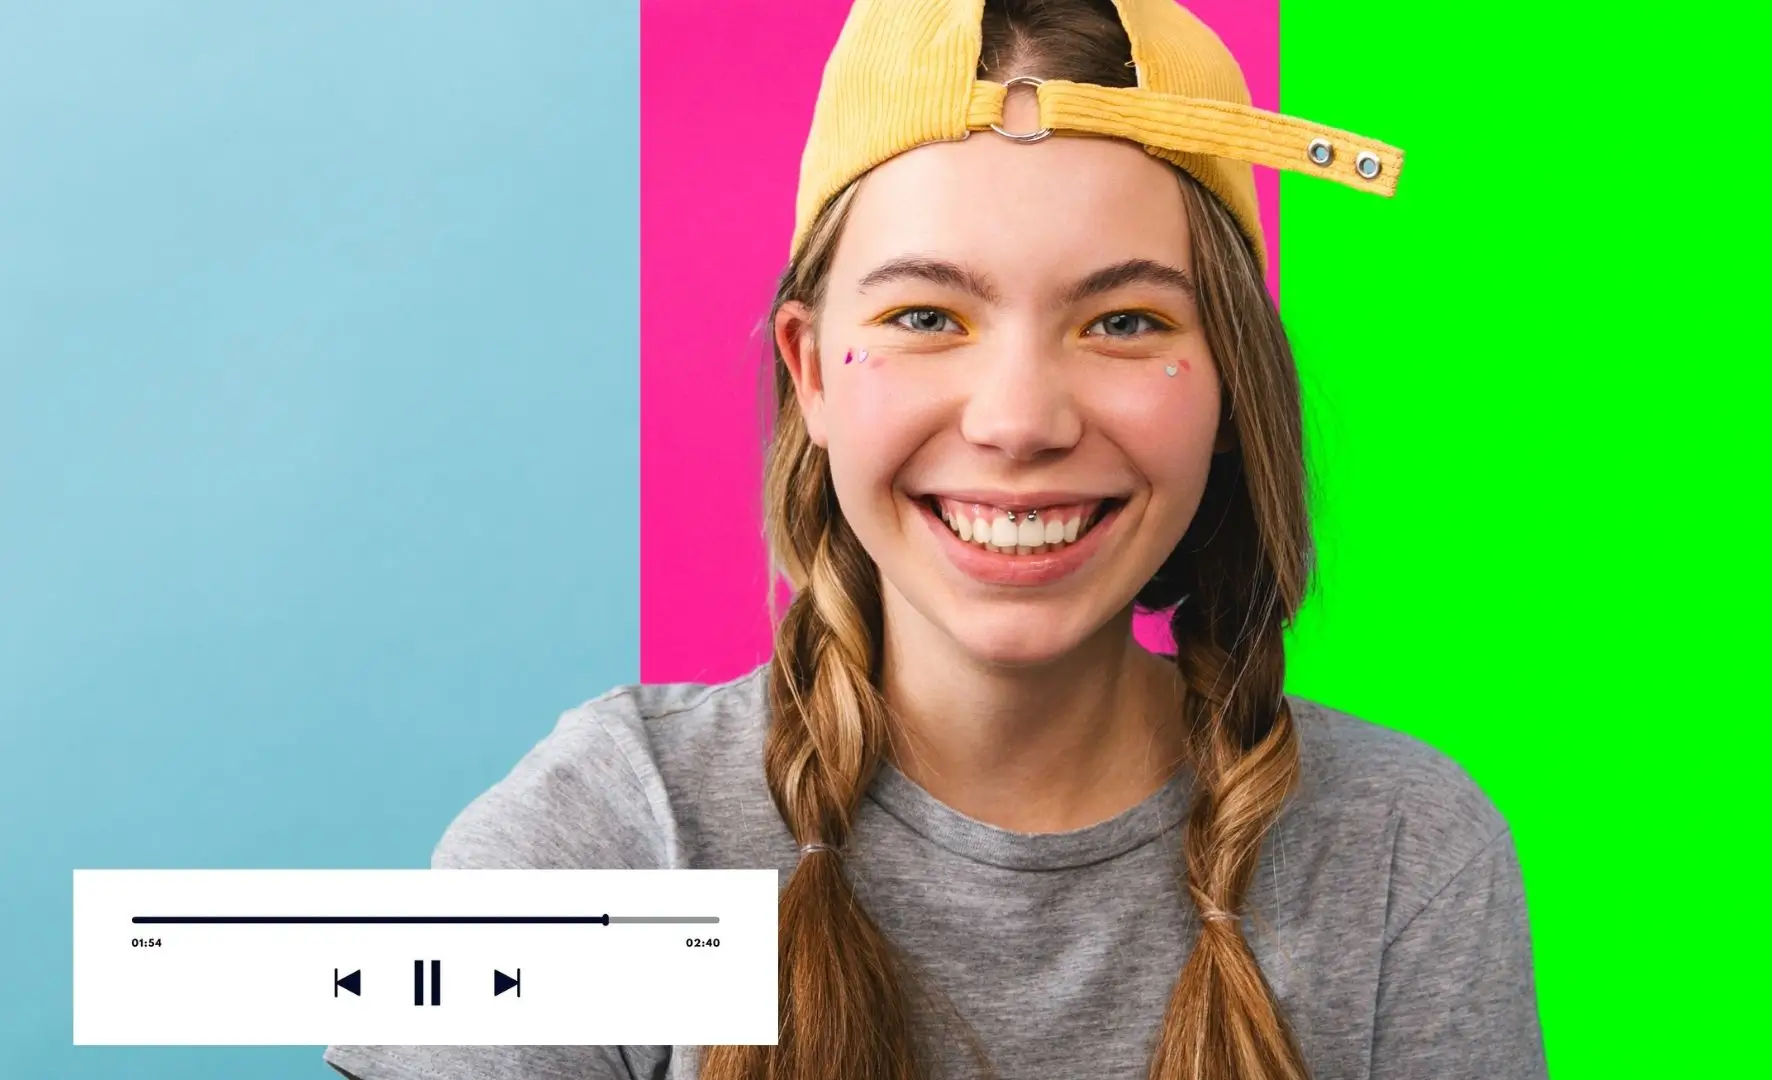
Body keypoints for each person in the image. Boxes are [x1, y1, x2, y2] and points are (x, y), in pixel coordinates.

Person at [327, 0, 1547, 1077]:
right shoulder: (607, 842)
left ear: (1226, 381)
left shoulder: (1403, 856)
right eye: (926, 314)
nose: (1019, 421)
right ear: (810, 370)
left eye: (1124, 321)